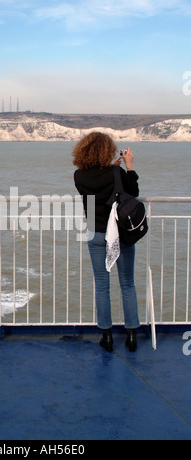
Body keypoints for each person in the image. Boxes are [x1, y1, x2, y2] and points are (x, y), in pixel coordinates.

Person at [73, 132, 140, 353]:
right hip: (119, 234)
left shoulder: (78, 176)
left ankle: (107, 336)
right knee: (127, 284)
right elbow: (133, 191)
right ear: (107, 151)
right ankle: (131, 336)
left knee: (102, 286)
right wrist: (128, 166)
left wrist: (111, 169)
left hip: (95, 233)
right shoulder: (116, 173)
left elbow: (96, 187)